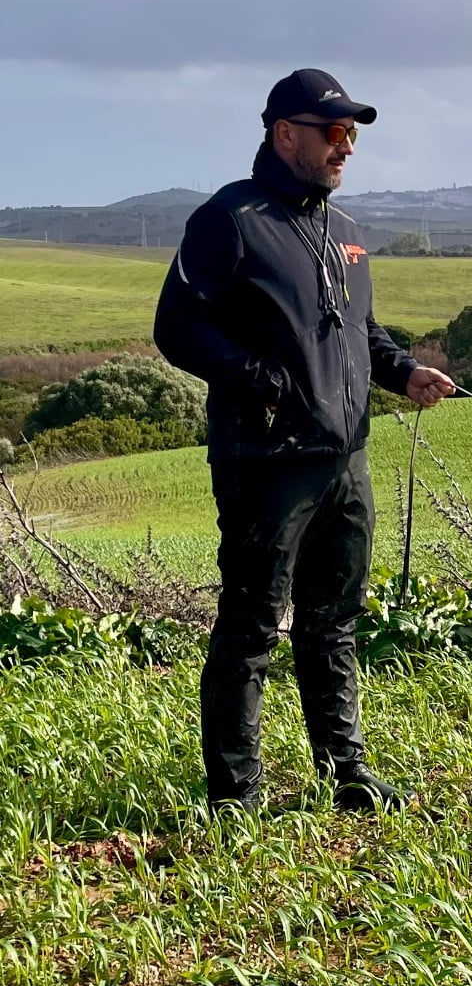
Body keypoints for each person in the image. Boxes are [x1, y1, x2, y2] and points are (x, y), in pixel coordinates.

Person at [154, 68, 455, 814]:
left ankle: (345, 771)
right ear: (284, 133)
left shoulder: (345, 233)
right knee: (251, 626)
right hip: (265, 463)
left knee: (334, 622)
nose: (345, 147)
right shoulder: (229, 219)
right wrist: (257, 375)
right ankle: (236, 796)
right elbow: (178, 326)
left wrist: (405, 372)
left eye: (351, 133)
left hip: (346, 459)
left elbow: (364, 334)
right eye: (334, 131)